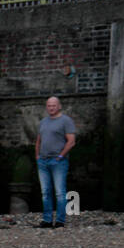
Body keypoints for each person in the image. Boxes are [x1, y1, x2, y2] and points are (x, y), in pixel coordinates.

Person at [36, 96, 76, 229]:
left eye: (53, 105)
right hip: (43, 161)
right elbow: (39, 140)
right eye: (49, 105)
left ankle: (59, 221)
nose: (51, 108)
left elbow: (71, 141)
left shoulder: (66, 121)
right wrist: (37, 156)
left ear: (59, 106)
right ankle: (47, 220)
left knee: (60, 192)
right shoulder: (43, 122)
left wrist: (60, 156)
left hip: (58, 162)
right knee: (45, 192)